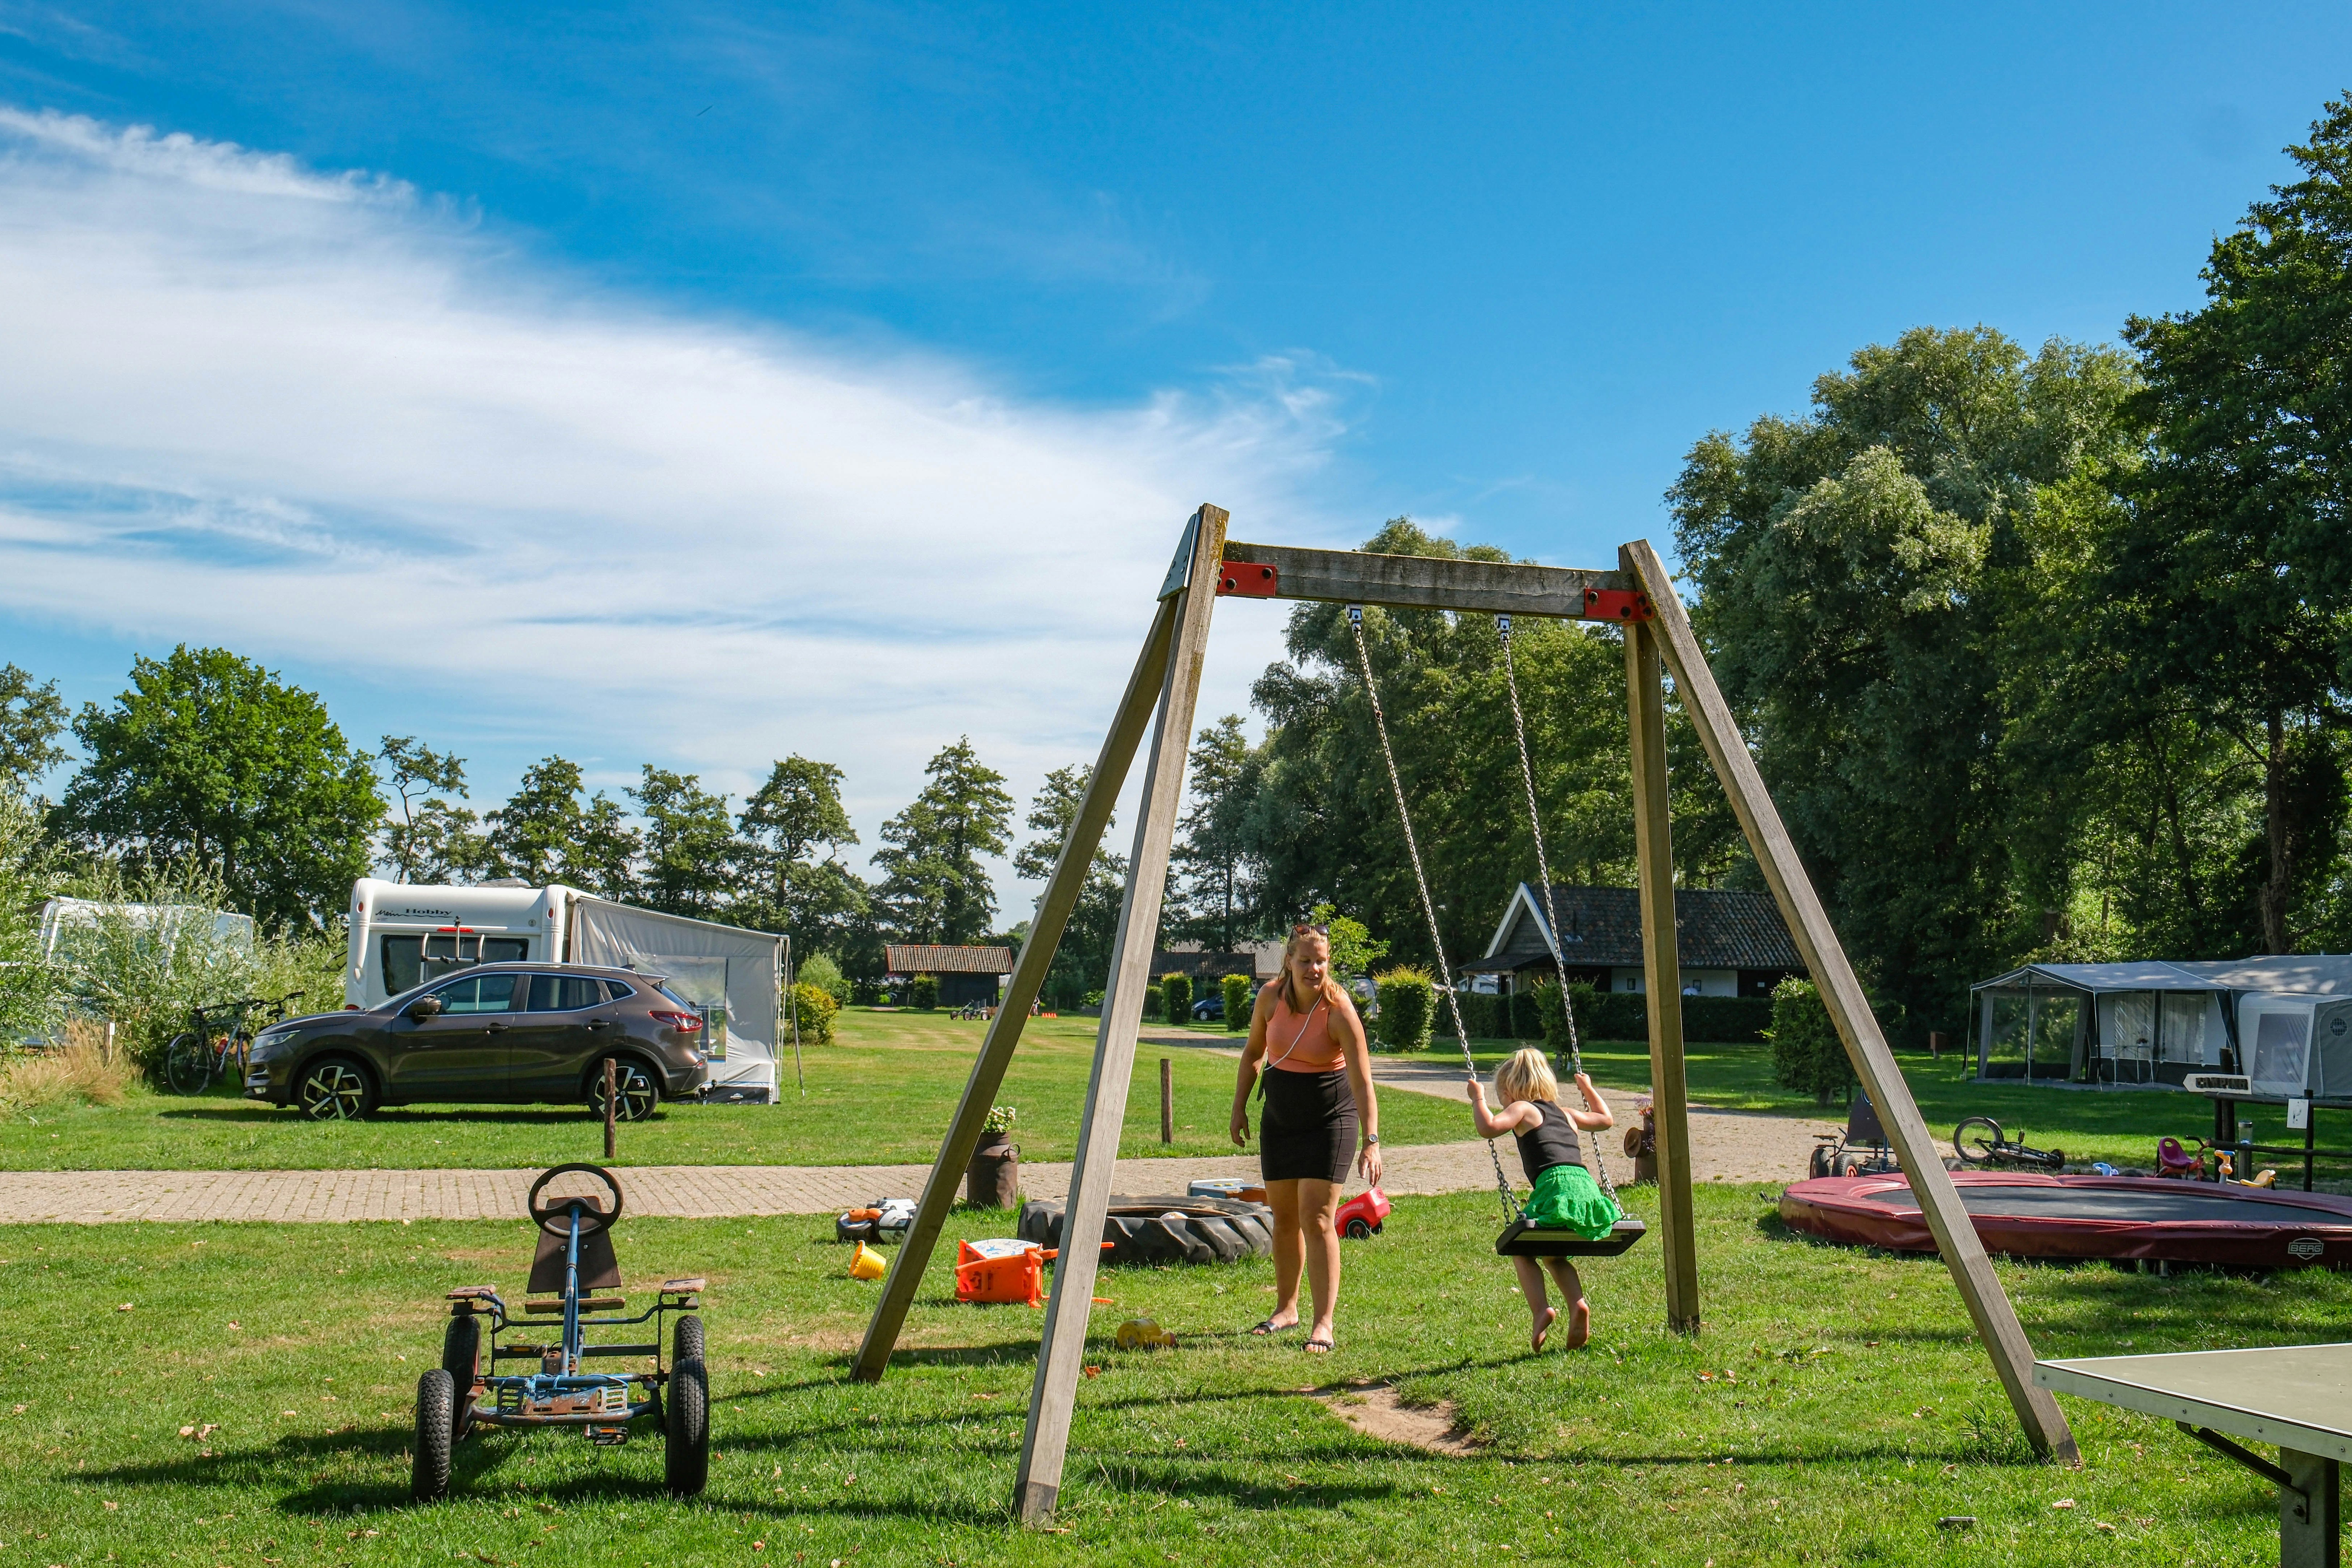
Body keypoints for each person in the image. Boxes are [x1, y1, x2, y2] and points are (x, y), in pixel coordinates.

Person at [1229, 922, 1381, 1354]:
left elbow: (1363, 1081)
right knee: (1284, 1219)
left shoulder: (1339, 1010)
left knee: (1317, 1219)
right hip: (1279, 1120)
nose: (1315, 968)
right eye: (1306, 960)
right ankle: (1286, 1309)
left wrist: (1372, 1140)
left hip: (1329, 1121)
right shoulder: (1270, 999)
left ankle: (1323, 1323)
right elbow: (1253, 1054)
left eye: (1322, 960)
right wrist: (1239, 1106)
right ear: (1290, 962)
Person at [1467, 1047, 1620, 1352]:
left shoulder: (1523, 1109)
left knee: (1521, 1250)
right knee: (1554, 1254)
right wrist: (1588, 1088)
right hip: (1586, 1188)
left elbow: (1488, 1128)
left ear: (1510, 1091)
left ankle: (1542, 1310)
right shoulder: (1566, 1113)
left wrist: (1477, 1099)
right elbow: (1606, 1120)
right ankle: (1578, 1305)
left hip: (1555, 1185)